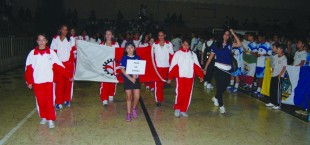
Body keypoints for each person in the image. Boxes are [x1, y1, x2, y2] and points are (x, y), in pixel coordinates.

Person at [25, 34, 72, 128]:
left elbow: (59, 66)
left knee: (49, 101)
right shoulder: (32, 53)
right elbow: (28, 69)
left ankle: (50, 119)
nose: (41, 42)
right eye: (39, 40)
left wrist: (68, 76)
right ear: (37, 41)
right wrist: (29, 81)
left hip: (48, 82)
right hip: (37, 82)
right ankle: (44, 117)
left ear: (46, 41)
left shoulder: (51, 53)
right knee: (40, 101)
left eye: (43, 40)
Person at [203, 29, 241, 113]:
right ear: (222, 35)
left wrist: (233, 33)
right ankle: (221, 105)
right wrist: (205, 68)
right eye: (225, 34)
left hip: (228, 69)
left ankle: (216, 97)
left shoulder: (230, 44)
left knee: (225, 86)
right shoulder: (216, 44)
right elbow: (210, 57)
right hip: (218, 68)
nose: (226, 36)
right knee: (220, 87)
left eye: (228, 35)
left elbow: (239, 44)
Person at [167, 39, 204, 117]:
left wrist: (201, 76)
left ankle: (183, 109)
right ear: (182, 44)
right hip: (180, 77)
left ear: (189, 46)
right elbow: (173, 66)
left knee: (188, 94)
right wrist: (170, 77)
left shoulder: (193, 54)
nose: (185, 46)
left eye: (187, 45)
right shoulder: (177, 54)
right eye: (184, 44)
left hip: (190, 77)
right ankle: (177, 108)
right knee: (180, 93)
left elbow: (197, 66)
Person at [50, 25, 76, 110]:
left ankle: (67, 100)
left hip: (69, 64)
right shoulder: (55, 39)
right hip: (59, 64)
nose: (65, 31)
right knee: (59, 84)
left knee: (68, 83)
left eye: (66, 30)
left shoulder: (71, 39)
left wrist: (71, 62)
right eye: (63, 29)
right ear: (60, 30)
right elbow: (52, 52)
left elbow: (74, 51)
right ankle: (58, 102)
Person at [119, 42, 141, 122]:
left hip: (135, 79)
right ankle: (128, 114)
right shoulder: (124, 58)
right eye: (128, 48)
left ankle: (134, 108)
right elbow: (122, 69)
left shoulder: (138, 57)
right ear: (125, 49)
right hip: (127, 79)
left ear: (134, 48)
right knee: (129, 97)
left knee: (137, 97)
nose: (129, 49)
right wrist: (130, 77)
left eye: (131, 47)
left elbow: (138, 68)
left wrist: (135, 76)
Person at [153, 30, 174, 107]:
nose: (160, 37)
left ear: (164, 35)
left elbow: (172, 56)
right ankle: (158, 100)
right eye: (159, 35)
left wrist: (171, 68)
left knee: (162, 84)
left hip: (166, 67)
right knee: (158, 84)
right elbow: (151, 56)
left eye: (162, 35)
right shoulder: (155, 45)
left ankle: (160, 98)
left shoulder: (169, 44)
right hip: (157, 68)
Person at [99, 30, 120, 106]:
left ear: (112, 36)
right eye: (106, 34)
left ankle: (111, 94)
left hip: (113, 65)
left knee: (113, 81)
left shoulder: (116, 44)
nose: (108, 36)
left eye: (109, 34)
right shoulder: (101, 44)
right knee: (104, 82)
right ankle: (104, 98)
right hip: (104, 66)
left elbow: (119, 55)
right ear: (105, 35)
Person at [265, 44, 287, 110]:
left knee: (277, 91)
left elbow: (284, 67)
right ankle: (272, 102)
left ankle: (278, 104)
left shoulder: (284, 58)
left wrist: (280, 75)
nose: (276, 50)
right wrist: (272, 71)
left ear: (281, 50)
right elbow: (273, 63)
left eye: (278, 49)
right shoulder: (276, 56)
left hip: (279, 76)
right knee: (272, 89)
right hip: (273, 75)